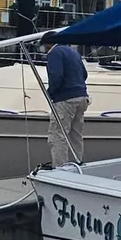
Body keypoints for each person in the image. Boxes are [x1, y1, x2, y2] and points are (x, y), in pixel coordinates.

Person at [42, 32, 89, 167]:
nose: (44, 49)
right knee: (75, 135)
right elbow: (84, 74)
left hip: (65, 99)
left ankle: (60, 168)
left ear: (49, 44)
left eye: (44, 45)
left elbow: (56, 76)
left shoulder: (55, 52)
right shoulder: (73, 52)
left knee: (57, 136)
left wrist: (51, 93)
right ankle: (76, 165)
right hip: (82, 96)